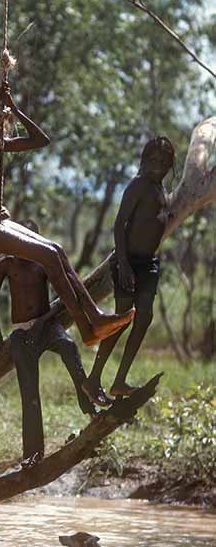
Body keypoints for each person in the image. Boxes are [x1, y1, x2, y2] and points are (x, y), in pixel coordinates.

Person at [0, 83, 134, 346]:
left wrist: (13, 107)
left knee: (56, 250)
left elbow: (40, 140)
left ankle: (94, 322)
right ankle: (88, 325)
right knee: (47, 255)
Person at [0, 224, 96, 461]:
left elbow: (64, 296)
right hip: (21, 333)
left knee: (68, 346)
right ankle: (33, 455)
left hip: (47, 325)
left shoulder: (43, 262)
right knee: (30, 396)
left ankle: (87, 402)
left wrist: (42, 322)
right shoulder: (6, 264)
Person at [83, 137, 175, 405]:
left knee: (144, 317)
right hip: (129, 261)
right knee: (122, 319)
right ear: (144, 160)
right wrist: (123, 263)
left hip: (150, 263)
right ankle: (93, 379)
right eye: (152, 160)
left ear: (169, 164)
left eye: (163, 162)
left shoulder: (160, 189)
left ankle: (119, 381)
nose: (157, 166)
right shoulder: (139, 185)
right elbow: (119, 223)